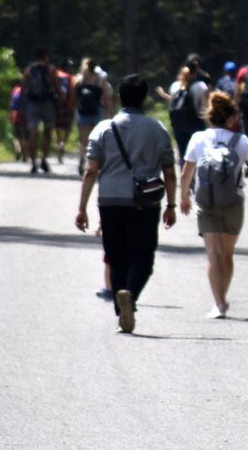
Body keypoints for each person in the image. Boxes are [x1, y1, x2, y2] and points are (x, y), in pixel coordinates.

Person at [75, 74, 178, 334]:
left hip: (110, 200)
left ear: (120, 97)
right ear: (144, 98)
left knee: (116, 255)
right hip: (145, 202)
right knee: (143, 257)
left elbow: (91, 171)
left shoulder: (103, 129)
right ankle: (129, 295)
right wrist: (172, 205)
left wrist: (82, 207)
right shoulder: (158, 129)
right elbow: (170, 172)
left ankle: (122, 311)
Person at [178, 92, 248, 319]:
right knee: (227, 255)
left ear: (209, 117)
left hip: (205, 201)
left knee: (213, 255)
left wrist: (184, 198)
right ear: (232, 118)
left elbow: (186, 173)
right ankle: (222, 297)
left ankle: (218, 303)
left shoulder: (198, 139)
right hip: (233, 202)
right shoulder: (241, 141)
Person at [156, 63, 208, 167]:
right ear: (195, 73)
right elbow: (203, 108)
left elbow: (171, 106)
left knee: (182, 152)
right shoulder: (201, 86)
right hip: (196, 123)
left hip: (178, 124)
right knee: (198, 153)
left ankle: (184, 177)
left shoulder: (174, 86)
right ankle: (197, 178)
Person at [23, 47, 60, 174]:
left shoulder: (29, 69)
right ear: (45, 56)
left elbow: (23, 88)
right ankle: (44, 160)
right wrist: (59, 103)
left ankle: (33, 163)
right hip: (47, 103)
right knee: (47, 132)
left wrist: (23, 105)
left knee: (32, 132)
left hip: (32, 103)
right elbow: (56, 86)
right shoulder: (51, 69)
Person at [74, 58, 112, 176]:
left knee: (83, 141)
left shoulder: (79, 80)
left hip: (82, 112)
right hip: (96, 112)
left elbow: (75, 98)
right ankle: (95, 163)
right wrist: (109, 112)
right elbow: (106, 99)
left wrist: (75, 111)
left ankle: (82, 158)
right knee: (97, 140)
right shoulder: (100, 80)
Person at [54, 58, 77, 164]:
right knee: (67, 127)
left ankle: (59, 142)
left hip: (57, 106)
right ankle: (63, 142)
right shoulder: (73, 79)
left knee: (58, 127)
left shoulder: (56, 76)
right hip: (69, 106)